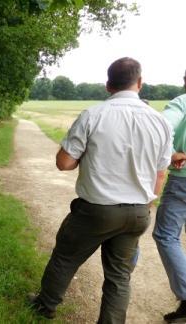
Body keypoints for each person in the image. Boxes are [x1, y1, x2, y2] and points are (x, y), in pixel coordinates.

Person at [28, 57, 174, 323]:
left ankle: (45, 306)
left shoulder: (93, 115)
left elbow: (64, 163)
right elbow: (160, 172)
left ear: (108, 86)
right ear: (140, 83)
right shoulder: (160, 122)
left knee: (66, 257)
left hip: (96, 210)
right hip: (138, 211)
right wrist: (147, 204)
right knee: (119, 276)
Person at [153, 70, 186, 323]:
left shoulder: (182, 102)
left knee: (166, 235)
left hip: (183, 181)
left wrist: (172, 153)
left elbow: (161, 128)